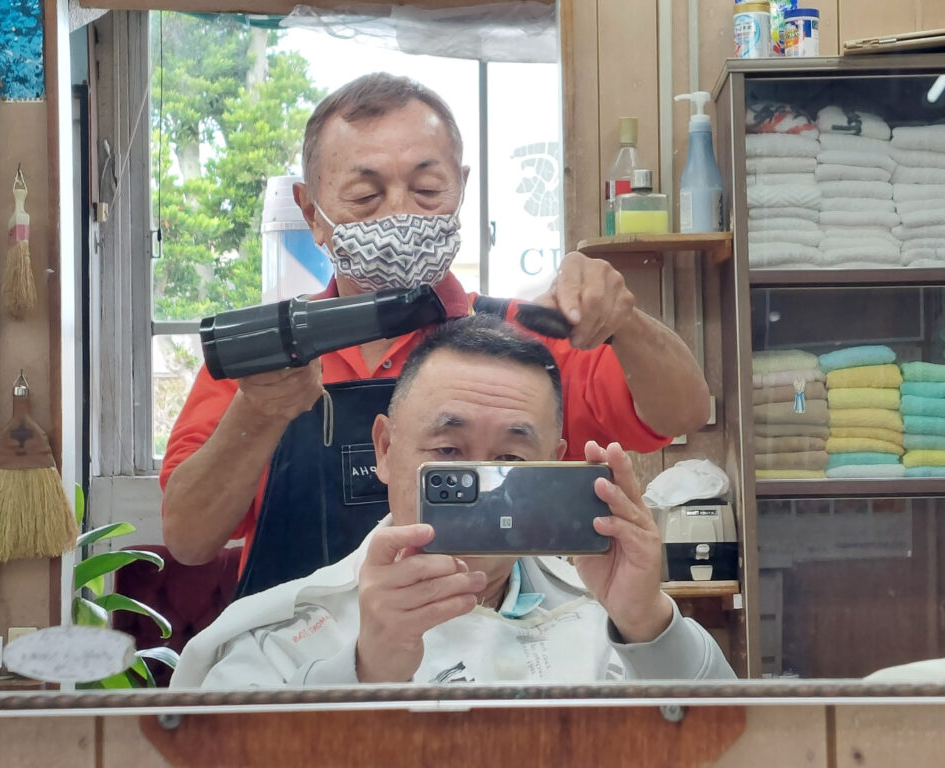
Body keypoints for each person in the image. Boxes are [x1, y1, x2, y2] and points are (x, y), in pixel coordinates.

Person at [160, 72, 711, 598]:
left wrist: (624, 322)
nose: (400, 213)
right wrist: (259, 412)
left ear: (461, 187)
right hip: (299, 654)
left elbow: (683, 412)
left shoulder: (522, 342)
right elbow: (189, 539)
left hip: (490, 645)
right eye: (365, 195)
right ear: (312, 211)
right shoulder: (265, 357)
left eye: (426, 189)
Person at [170, 316, 734, 688]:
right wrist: (364, 672)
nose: (480, 483)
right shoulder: (281, 638)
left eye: (510, 459)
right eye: (448, 452)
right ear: (385, 449)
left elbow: (735, 743)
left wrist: (647, 622)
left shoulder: (606, 616)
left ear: (553, 463)